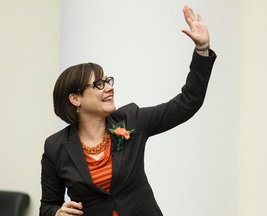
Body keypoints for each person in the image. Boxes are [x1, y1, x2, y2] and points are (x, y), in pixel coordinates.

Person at [40, 5, 217, 216]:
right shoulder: (55, 147)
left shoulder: (132, 119)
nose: (109, 87)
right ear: (75, 98)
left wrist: (202, 49)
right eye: (98, 84)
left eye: (108, 81)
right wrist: (56, 214)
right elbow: (48, 206)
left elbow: (187, 103)